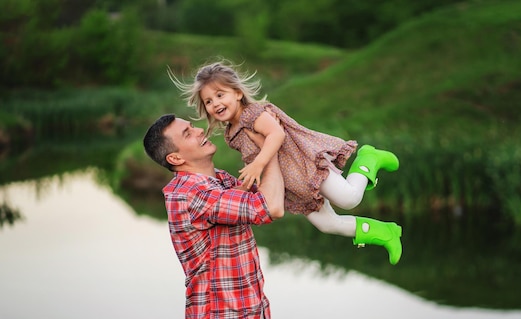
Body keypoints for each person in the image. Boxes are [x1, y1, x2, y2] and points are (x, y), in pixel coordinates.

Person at [169, 59, 403, 265]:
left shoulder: (253, 113)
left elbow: (276, 135)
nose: (215, 104)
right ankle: (385, 233)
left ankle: (368, 159)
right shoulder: (232, 133)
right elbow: (255, 155)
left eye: (220, 95)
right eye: (208, 101)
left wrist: (259, 165)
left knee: (349, 198)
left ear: (237, 93)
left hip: (306, 168)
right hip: (293, 184)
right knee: (327, 224)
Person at [143, 113, 286, 319]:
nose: (199, 129)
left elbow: (268, 192)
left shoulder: (218, 180)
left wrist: (265, 146)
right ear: (175, 157)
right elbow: (269, 207)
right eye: (187, 132)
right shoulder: (189, 193)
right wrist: (272, 140)